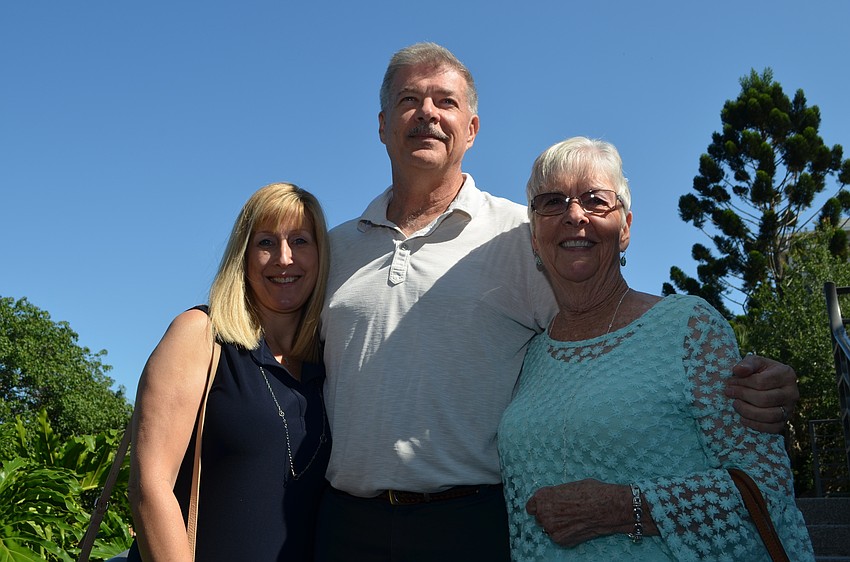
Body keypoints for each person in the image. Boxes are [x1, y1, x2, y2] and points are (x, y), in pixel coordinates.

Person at [315, 42, 800, 561]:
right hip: (344, 523)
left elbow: (622, 340)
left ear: (473, 128)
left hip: (470, 525)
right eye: (410, 99)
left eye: (445, 101)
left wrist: (766, 388)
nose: (428, 113)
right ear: (383, 124)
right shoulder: (330, 249)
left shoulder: (520, 234)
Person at [498, 137, 814, 561]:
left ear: (625, 227)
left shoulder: (688, 327)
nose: (575, 215)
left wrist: (624, 508)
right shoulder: (531, 355)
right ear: (535, 238)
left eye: (595, 200)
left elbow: (765, 484)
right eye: (552, 202)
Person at [128, 183, 331, 561]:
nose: (284, 258)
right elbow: (150, 487)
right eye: (266, 242)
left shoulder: (328, 362)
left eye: (301, 241)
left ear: (322, 255)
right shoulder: (200, 335)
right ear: (243, 255)